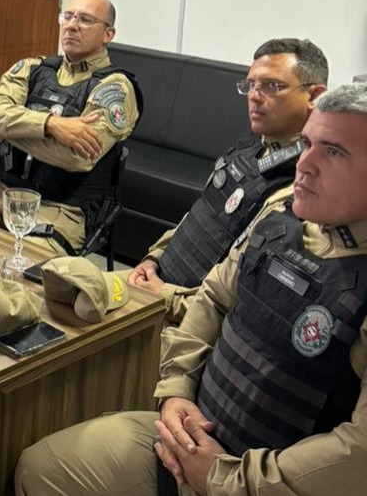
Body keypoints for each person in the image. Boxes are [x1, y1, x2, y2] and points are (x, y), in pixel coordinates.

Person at [14, 83, 367, 496]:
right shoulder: (279, 217)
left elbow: (358, 453)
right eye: (307, 144)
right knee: (36, 469)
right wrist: (176, 392)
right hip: (187, 437)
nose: (304, 165)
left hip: (253, 484)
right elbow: (213, 299)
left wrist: (223, 478)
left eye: (334, 152)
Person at [128, 38, 328, 323]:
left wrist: (166, 297)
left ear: (314, 96)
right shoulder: (249, 147)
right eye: (251, 85)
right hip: (157, 282)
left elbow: (246, 300)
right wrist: (154, 259)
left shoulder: (305, 188)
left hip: (184, 318)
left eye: (272, 86)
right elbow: (199, 217)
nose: (254, 96)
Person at [0, 0, 141, 258]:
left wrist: (10, 132)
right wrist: (50, 125)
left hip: (59, 211)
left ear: (108, 34)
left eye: (85, 20)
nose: (71, 26)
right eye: (67, 17)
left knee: (17, 266)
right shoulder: (32, 68)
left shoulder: (114, 88)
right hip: (1, 195)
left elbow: (75, 157)